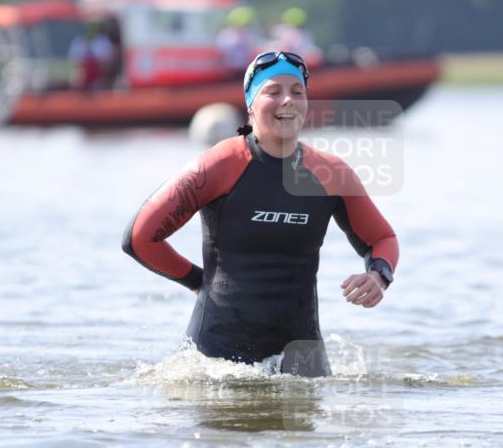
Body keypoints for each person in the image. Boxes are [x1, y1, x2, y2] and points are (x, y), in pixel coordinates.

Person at [122, 51, 398, 376]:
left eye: (297, 92)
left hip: (302, 359)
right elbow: (140, 238)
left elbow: (382, 238)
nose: (287, 101)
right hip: (218, 359)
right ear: (250, 103)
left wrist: (378, 276)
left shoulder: (330, 173)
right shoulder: (218, 165)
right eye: (273, 91)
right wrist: (199, 282)